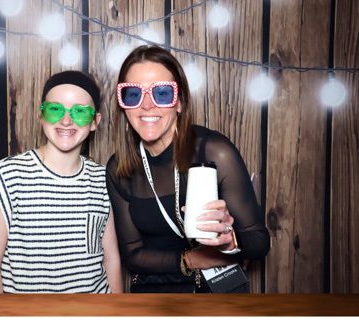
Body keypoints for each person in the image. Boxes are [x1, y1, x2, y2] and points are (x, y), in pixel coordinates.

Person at [105, 46, 269, 293]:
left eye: (162, 93)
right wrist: (190, 260)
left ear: (179, 102)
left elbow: (259, 242)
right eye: (133, 94)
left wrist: (230, 241)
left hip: (217, 296)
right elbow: (132, 254)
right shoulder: (119, 168)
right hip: (153, 296)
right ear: (123, 105)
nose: (147, 105)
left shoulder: (214, 151)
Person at [0, 71, 122, 293]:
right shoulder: (6, 177)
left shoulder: (102, 178)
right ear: (41, 115)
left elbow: (111, 260)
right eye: (55, 110)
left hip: (93, 313)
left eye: (80, 112)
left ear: (95, 122)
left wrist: (118, 312)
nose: (66, 121)